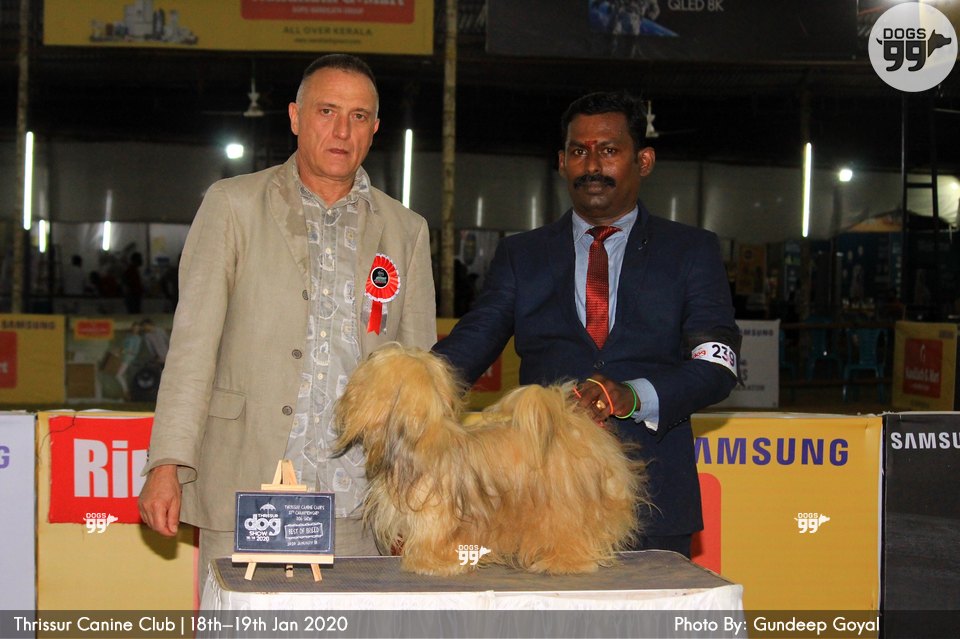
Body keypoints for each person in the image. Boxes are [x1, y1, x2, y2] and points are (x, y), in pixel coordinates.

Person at [138, 54, 437, 590]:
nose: (342, 130)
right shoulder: (232, 205)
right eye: (327, 111)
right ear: (296, 117)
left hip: (361, 503)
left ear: (375, 128)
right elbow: (191, 348)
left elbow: (419, 375)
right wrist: (167, 463)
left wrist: (419, 484)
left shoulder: (407, 230)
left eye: (359, 116)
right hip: (248, 489)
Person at [432, 91, 740, 558]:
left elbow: (717, 364)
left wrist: (632, 395)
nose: (592, 165)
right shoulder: (522, 255)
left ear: (644, 160)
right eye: (579, 151)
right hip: (538, 502)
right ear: (561, 162)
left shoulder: (692, 251)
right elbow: (473, 340)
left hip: (655, 503)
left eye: (609, 150)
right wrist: (415, 386)